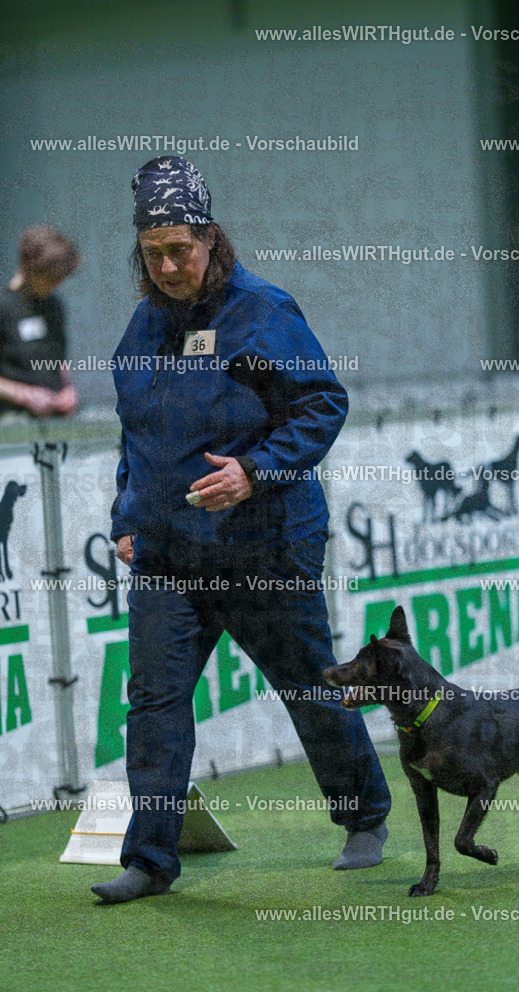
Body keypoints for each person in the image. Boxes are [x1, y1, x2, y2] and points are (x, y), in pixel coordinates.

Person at [91, 156, 391, 904]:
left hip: (266, 543)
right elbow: (139, 440)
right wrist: (128, 518)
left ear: (210, 240)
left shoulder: (261, 310)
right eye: (152, 251)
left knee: (307, 685)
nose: (166, 265)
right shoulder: (143, 327)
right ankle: (150, 860)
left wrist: (253, 472)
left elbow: (322, 404)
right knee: (154, 702)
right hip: (169, 556)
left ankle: (364, 815)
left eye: (179, 250)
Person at [0, 225, 79, 417]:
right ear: (29, 268)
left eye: (61, 278)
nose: (57, 283)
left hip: (53, 417)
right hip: (12, 419)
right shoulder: (4, 306)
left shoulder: (54, 305)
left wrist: (68, 390)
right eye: (51, 277)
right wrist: (24, 395)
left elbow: (59, 360)